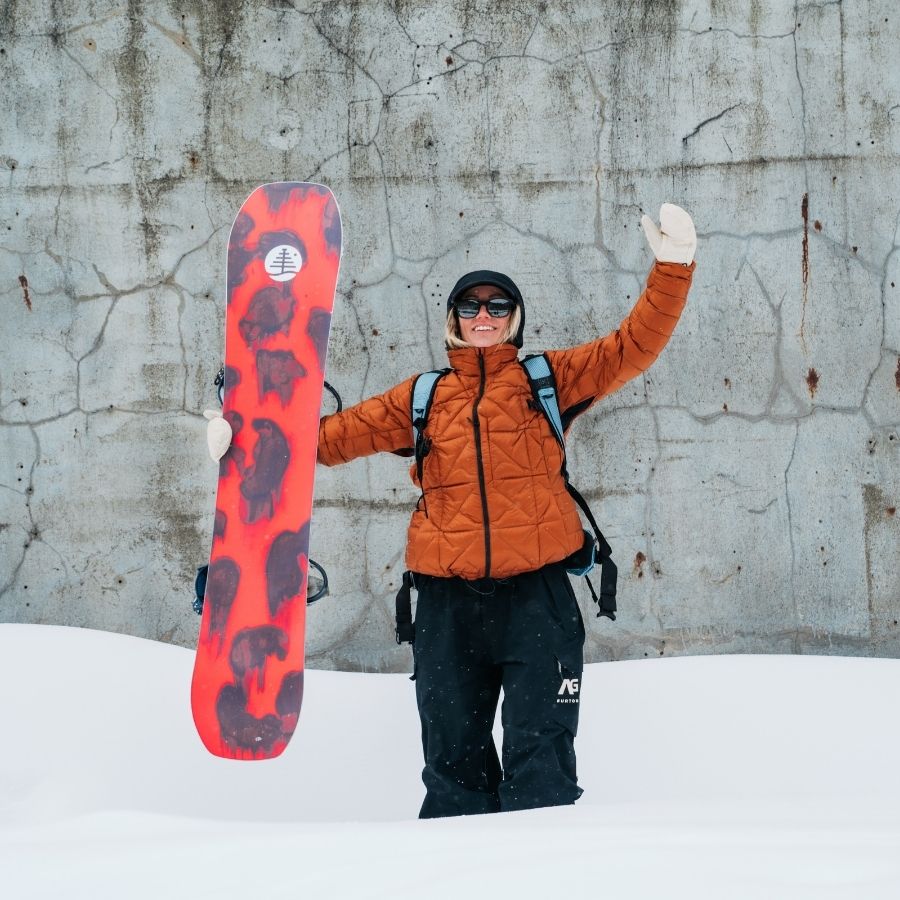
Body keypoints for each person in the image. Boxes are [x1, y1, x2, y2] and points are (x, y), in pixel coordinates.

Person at [207, 203, 697, 817]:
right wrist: (242, 439)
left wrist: (673, 267)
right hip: (446, 607)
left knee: (541, 772)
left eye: (497, 306)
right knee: (452, 774)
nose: (483, 316)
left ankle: (548, 864)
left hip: (537, 601)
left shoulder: (550, 379)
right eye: (470, 307)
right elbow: (325, 442)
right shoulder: (422, 396)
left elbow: (635, 345)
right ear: (453, 320)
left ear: (514, 319)